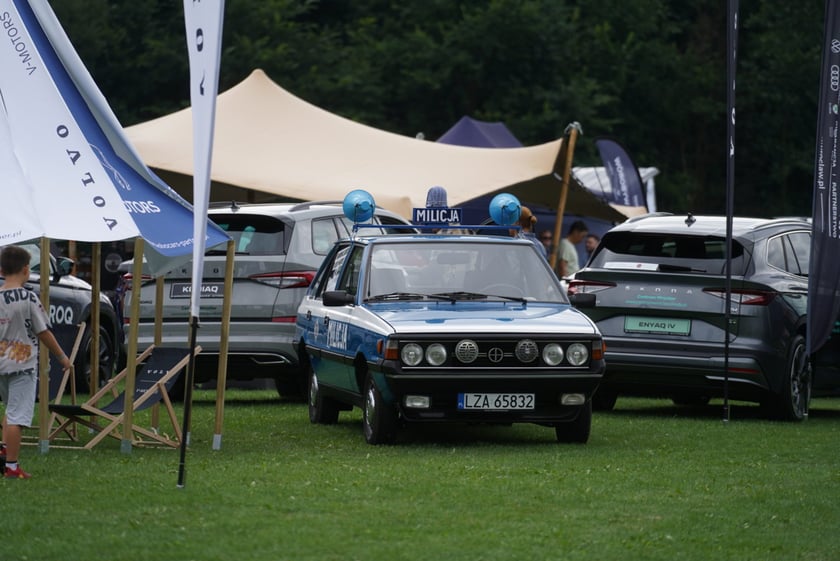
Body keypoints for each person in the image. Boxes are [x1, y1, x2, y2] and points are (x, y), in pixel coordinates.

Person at [0, 245, 72, 479]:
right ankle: (11, 467)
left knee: (10, 409)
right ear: (25, 270)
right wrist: (62, 356)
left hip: (1, 363)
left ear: (1, 271)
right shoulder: (29, 298)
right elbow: (43, 332)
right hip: (22, 364)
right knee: (18, 417)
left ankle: (3, 451)